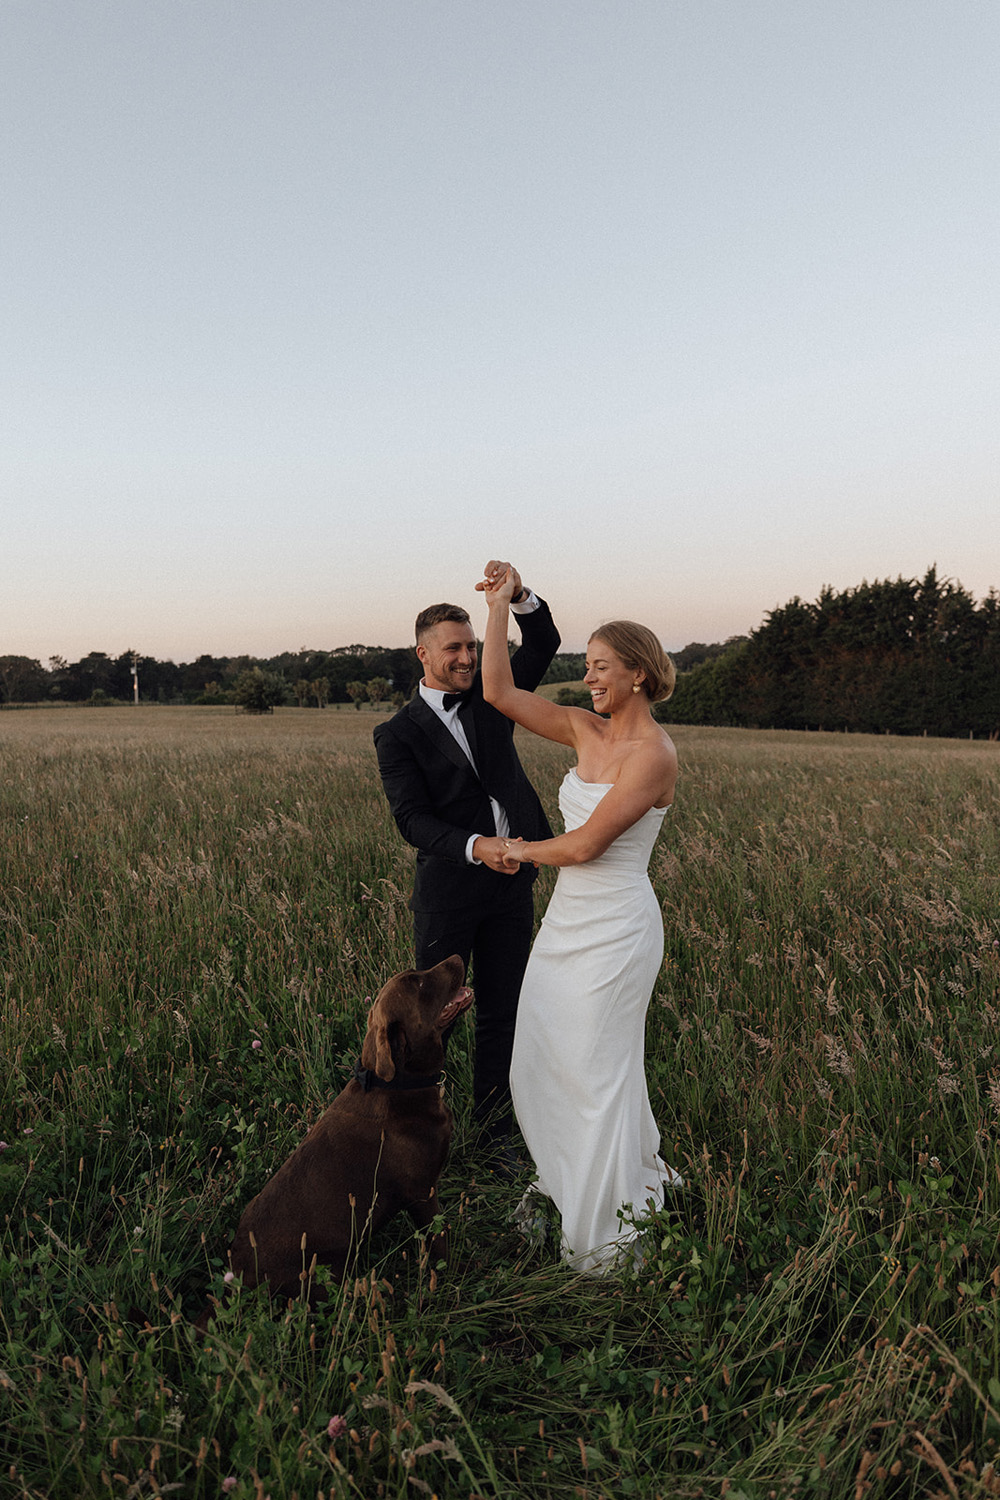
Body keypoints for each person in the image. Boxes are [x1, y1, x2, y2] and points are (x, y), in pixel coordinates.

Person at [480, 565, 682, 1272]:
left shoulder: (653, 754)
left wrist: (515, 850)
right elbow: (498, 691)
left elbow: (590, 845)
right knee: (541, 1057)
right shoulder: (580, 728)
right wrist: (503, 607)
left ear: (636, 674)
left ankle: (606, 1231)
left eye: (600, 667)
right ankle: (568, 1178)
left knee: (598, 1068)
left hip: (619, 928)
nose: (588, 677)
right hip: (567, 925)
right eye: (586, 665)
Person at [373, 560, 560, 1163]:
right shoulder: (396, 733)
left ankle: (498, 1133)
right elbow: (413, 822)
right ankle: (413, 1125)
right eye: (453, 648)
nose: (467, 657)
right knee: (433, 1022)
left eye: (472, 646)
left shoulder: (493, 694)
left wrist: (517, 595)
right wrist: (482, 848)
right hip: (450, 892)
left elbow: (546, 642)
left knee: (504, 1011)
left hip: (513, 887)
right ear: (422, 655)